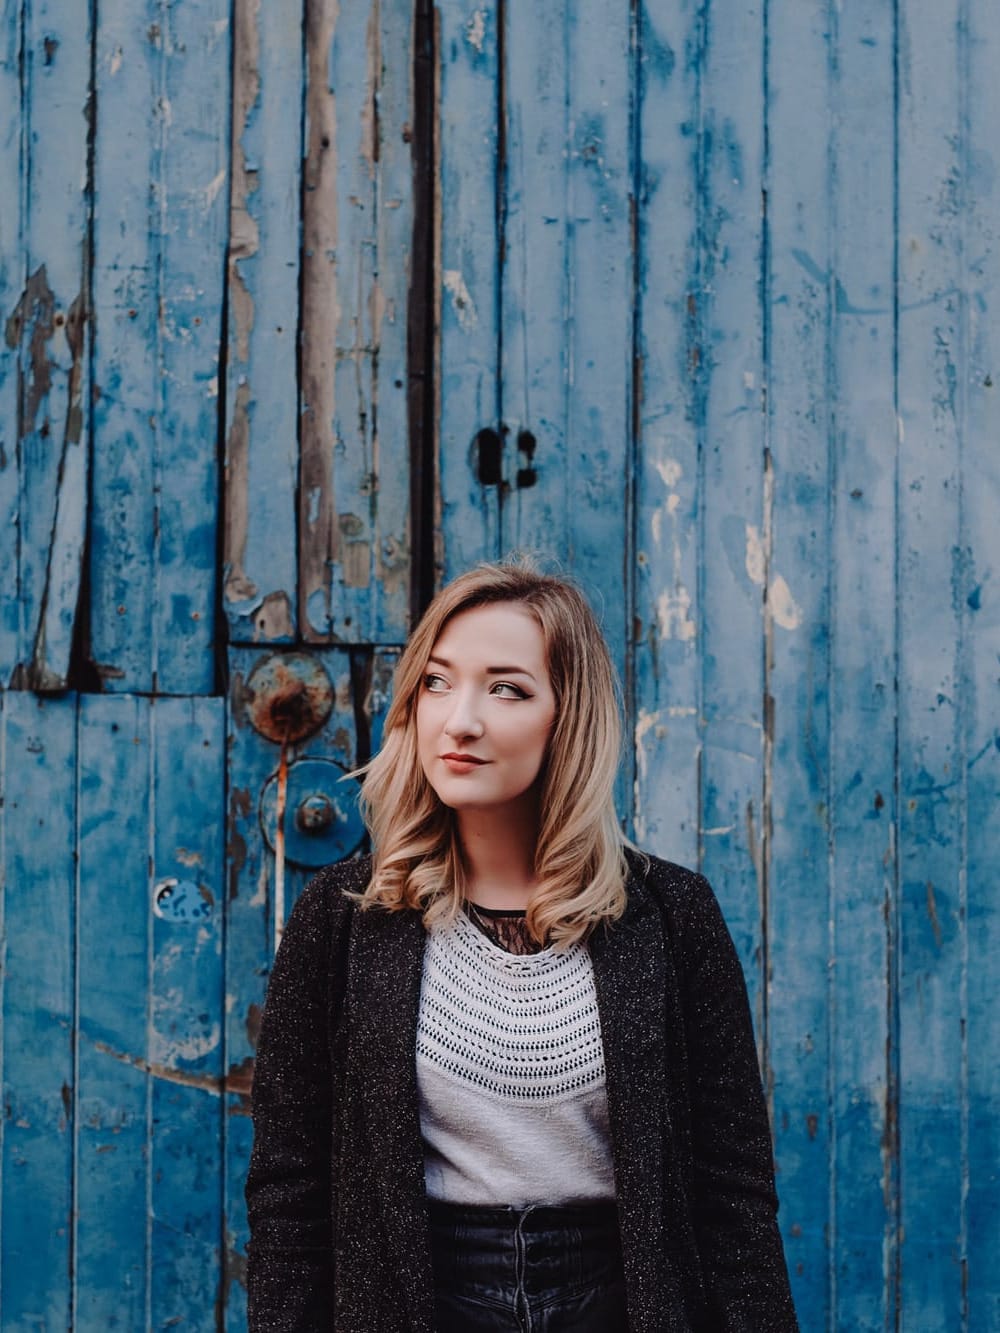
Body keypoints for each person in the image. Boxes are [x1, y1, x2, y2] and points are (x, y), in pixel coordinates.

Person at [245, 560, 799, 1332]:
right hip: (415, 1300)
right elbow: (290, 1189)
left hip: (621, 1300)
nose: (459, 719)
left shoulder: (674, 915)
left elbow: (733, 1189)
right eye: (437, 682)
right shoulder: (344, 915)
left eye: (506, 688)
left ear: (566, 716)